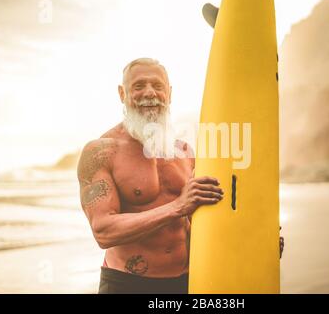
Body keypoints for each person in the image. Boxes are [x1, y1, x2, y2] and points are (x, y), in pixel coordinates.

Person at [77, 58, 224, 294]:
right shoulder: (101, 152)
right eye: (138, 86)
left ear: (170, 93)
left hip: (186, 282)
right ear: (122, 93)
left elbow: (199, 221)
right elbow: (103, 230)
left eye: (157, 86)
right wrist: (178, 206)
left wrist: (249, 241)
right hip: (127, 284)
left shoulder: (185, 151)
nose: (149, 93)